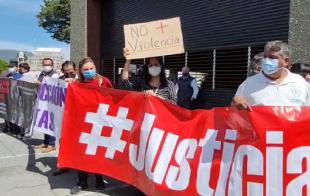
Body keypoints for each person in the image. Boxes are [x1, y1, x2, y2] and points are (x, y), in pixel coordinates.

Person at [70, 57, 112, 194]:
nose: (89, 71)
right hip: (82, 124)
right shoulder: (76, 84)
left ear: (95, 68)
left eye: (91, 68)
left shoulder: (103, 81)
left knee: (97, 151)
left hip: (99, 123)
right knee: (82, 152)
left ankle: (99, 178)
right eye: (86, 70)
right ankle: (82, 181)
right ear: (80, 72)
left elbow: (114, 98)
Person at [232, 40, 310, 110]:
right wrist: (236, 102)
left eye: (272, 58)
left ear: (286, 61)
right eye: (265, 57)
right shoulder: (249, 83)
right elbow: (234, 111)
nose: (266, 61)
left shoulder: (300, 83)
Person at [52, 60, 77, 177]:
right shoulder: (58, 81)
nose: (68, 75)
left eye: (71, 72)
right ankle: (63, 165)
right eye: (66, 72)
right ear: (62, 71)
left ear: (75, 70)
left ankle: (79, 164)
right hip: (62, 115)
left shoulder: (81, 80)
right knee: (63, 141)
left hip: (77, 116)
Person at [33, 58, 59, 153]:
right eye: (45, 64)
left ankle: (52, 144)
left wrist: (40, 84)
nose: (46, 66)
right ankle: (46, 142)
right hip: (42, 102)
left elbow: (54, 87)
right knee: (45, 123)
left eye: (48, 64)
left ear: (52, 65)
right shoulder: (42, 73)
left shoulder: (55, 75)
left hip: (51, 103)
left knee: (50, 124)